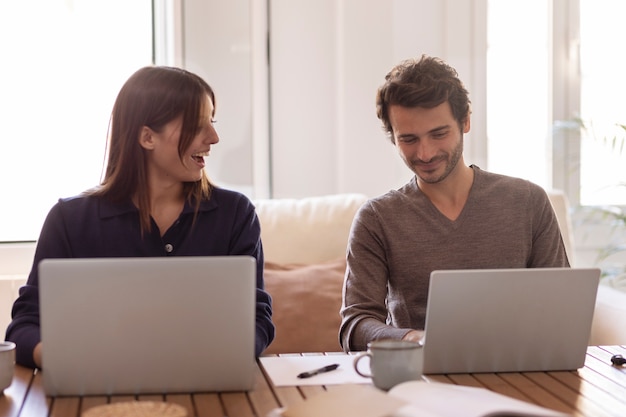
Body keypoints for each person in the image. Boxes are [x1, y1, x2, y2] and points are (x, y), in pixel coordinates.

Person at [6, 66, 275, 368]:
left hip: (209, 385)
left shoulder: (235, 214)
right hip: (98, 392)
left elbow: (257, 318)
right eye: (198, 125)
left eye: (211, 123)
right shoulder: (69, 220)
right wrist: (64, 358)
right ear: (147, 137)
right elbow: (24, 326)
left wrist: (222, 355)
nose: (213, 137)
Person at [339, 55, 570, 352]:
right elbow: (355, 325)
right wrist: (412, 339)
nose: (424, 153)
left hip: (519, 372)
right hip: (420, 378)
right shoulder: (377, 218)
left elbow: (561, 309)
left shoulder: (527, 201)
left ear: (465, 121)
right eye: (408, 139)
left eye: (439, 134)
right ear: (393, 138)